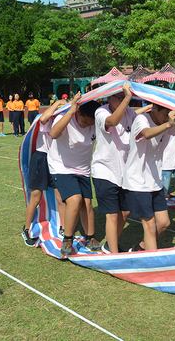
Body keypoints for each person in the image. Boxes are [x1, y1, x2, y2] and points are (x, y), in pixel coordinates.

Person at [122, 103, 175, 252]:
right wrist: (169, 124)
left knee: (163, 223)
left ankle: (140, 248)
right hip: (137, 181)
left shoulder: (168, 122)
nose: (166, 119)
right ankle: (152, 265)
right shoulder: (142, 119)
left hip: (154, 181)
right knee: (149, 226)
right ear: (154, 108)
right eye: (164, 115)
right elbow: (147, 133)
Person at [50, 93, 102, 257]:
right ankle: (67, 239)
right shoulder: (66, 118)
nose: (87, 125)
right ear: (78, 113)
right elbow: (53, 134)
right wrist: (71, 111)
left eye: (90, 123)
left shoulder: (93, 123)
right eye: (85, 121)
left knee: (87, 204)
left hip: (83, 169)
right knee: (74, 199)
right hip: (62, 167)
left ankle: (90, 238)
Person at [91, 84, 135, 254]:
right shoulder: (101, 112)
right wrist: (127, 99)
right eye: (120, 96)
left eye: (124, 96)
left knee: (125, 212)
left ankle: (110, 245)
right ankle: (114, 255)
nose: (124, 99)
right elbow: (113, 121)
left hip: (123, 171)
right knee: (112, 215)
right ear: (109, 98)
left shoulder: (130, 112)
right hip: (104, 170)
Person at [22, 98, 68, 247]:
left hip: (56, 161)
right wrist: (56, 104)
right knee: (35, 197)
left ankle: (63, 228)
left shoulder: (65, 119)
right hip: (41, 159)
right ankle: (26, 229)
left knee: (61, 197)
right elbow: (42, 118)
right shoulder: (47, 117)